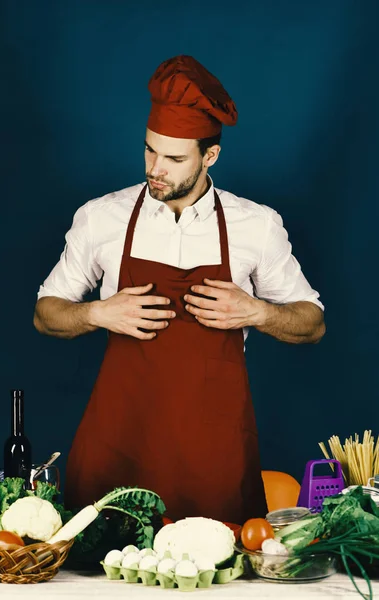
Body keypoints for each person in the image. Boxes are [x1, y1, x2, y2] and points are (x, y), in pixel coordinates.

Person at [34, 55, 325, 523]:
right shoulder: (101, 217)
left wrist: (256, 312)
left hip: (212, 456)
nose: (156, 169)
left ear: (210, 156)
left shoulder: (257, 225)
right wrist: (96, 314)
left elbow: (312, 323)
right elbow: (45, 313)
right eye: (150, 151)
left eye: (173, 158)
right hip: (119, 445)